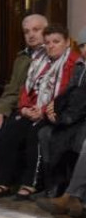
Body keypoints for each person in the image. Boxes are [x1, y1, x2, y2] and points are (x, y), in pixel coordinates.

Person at [0, 25, 77, 200]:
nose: (51, 46)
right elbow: (26, 88)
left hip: (55, 112)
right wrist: (24, 108)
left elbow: (65, 94)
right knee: (11, 129)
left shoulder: (72, 62)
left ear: (67, 42)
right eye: (48, 42)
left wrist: (43, 111)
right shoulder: (40, 60)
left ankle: (30, 183)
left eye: (56, 42)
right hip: (33, 109)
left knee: (34, 132)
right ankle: (5, 182)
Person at [0, 14, 48, 198]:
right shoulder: (22, 58)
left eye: (36, 30)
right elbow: (12, 90)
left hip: (40, 109)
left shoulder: (51, 54)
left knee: (19, 131)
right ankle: (9, 180)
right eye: (26, 32)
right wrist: (0, 113)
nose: (31, 35)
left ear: (46, 30)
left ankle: (16, 181)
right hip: (22, 108)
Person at [36, 40, 86, 196]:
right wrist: (54, 107)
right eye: (82, 46)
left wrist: (64, 117)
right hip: (74, 113)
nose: (84, 49)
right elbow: (68, 91)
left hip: (79, 116)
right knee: (45, 133)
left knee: (75, 138)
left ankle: (70, 193)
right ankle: (52, 186)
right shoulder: (80, 65)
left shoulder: (74, 62)